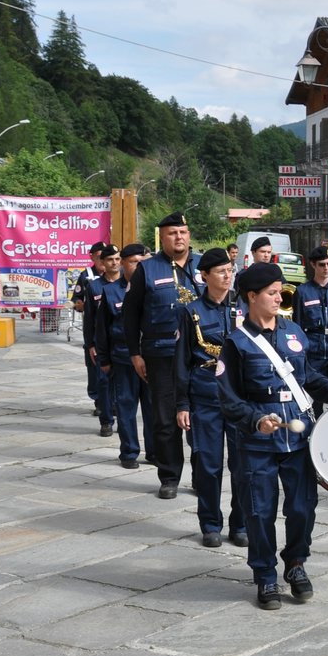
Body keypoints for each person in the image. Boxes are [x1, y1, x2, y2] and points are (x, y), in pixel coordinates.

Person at [217, 261, 328, 610]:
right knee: (259, 512)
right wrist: (255, 419)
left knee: (303, 507)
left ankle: (295, 563)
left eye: (279, 292)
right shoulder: (236, 343)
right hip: (256, 442)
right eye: (272, 293)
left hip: (298, 436)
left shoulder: (294, 332)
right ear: (251, 297)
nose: (279, 298)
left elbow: (307, 377)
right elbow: (228, 398)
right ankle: (265, 576)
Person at [121, 213, 202, 499]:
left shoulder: (205, 266)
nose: (178, 237)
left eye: (182, 231)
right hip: (161, 355)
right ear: (162, 237)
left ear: (189, 235)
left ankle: (202, 475)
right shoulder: (147, 269)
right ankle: (169, 476)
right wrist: (135, 353)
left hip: (200, 357)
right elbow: (130, 315)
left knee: (200, 418)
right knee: (165, 420)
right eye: (172, 233)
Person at [175, 247, 251, 549]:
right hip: (204, 395)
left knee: (243, 464)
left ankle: (240, 524)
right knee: (207, 464)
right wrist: (182, 404)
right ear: (204, 276)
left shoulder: (242, 308)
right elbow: (180, 362)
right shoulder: (190, 311)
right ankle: (210, 523)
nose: (227, 275)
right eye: (221, 271)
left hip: (238, 396)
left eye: (230, 270)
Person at [97, 245, 156, 470]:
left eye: (143, 262)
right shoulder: (112, 291)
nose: (140, 266)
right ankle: (129, 452)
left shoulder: (155, 288)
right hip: (123, 360)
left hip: (152, 359)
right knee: (126, 408)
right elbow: (101, 329)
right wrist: (104, 359)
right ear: (123, 263)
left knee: (153, 409)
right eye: (134, 262)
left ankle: (153, 450)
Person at [293, 246, 328, 395]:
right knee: (315, 396)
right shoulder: (303, 291)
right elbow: (297, 324)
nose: (326, 268)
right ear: (313, 264)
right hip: (313, 350)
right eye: (322, 264)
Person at [81, 244, 117, 437]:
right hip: (101, 343)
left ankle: (117, 411)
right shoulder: (94, 286)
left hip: (122, 342)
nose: (114, 263)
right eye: (110, 259)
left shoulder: (128, 284)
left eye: (118, 259)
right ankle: (106, 420)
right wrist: (91, 345)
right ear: (102, 262)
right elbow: (89, 318)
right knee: (103, 382)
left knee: (123, 384)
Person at [74, 242, 110, 433]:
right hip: (94, 329)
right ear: (93, 257)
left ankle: (110, 405)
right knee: (94, 368)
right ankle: (98, 400)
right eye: (100, 255)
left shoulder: (120, 278)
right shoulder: (87, 276)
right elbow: (77, 299)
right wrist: (80, 304)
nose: (105, 260)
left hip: (115, 334)